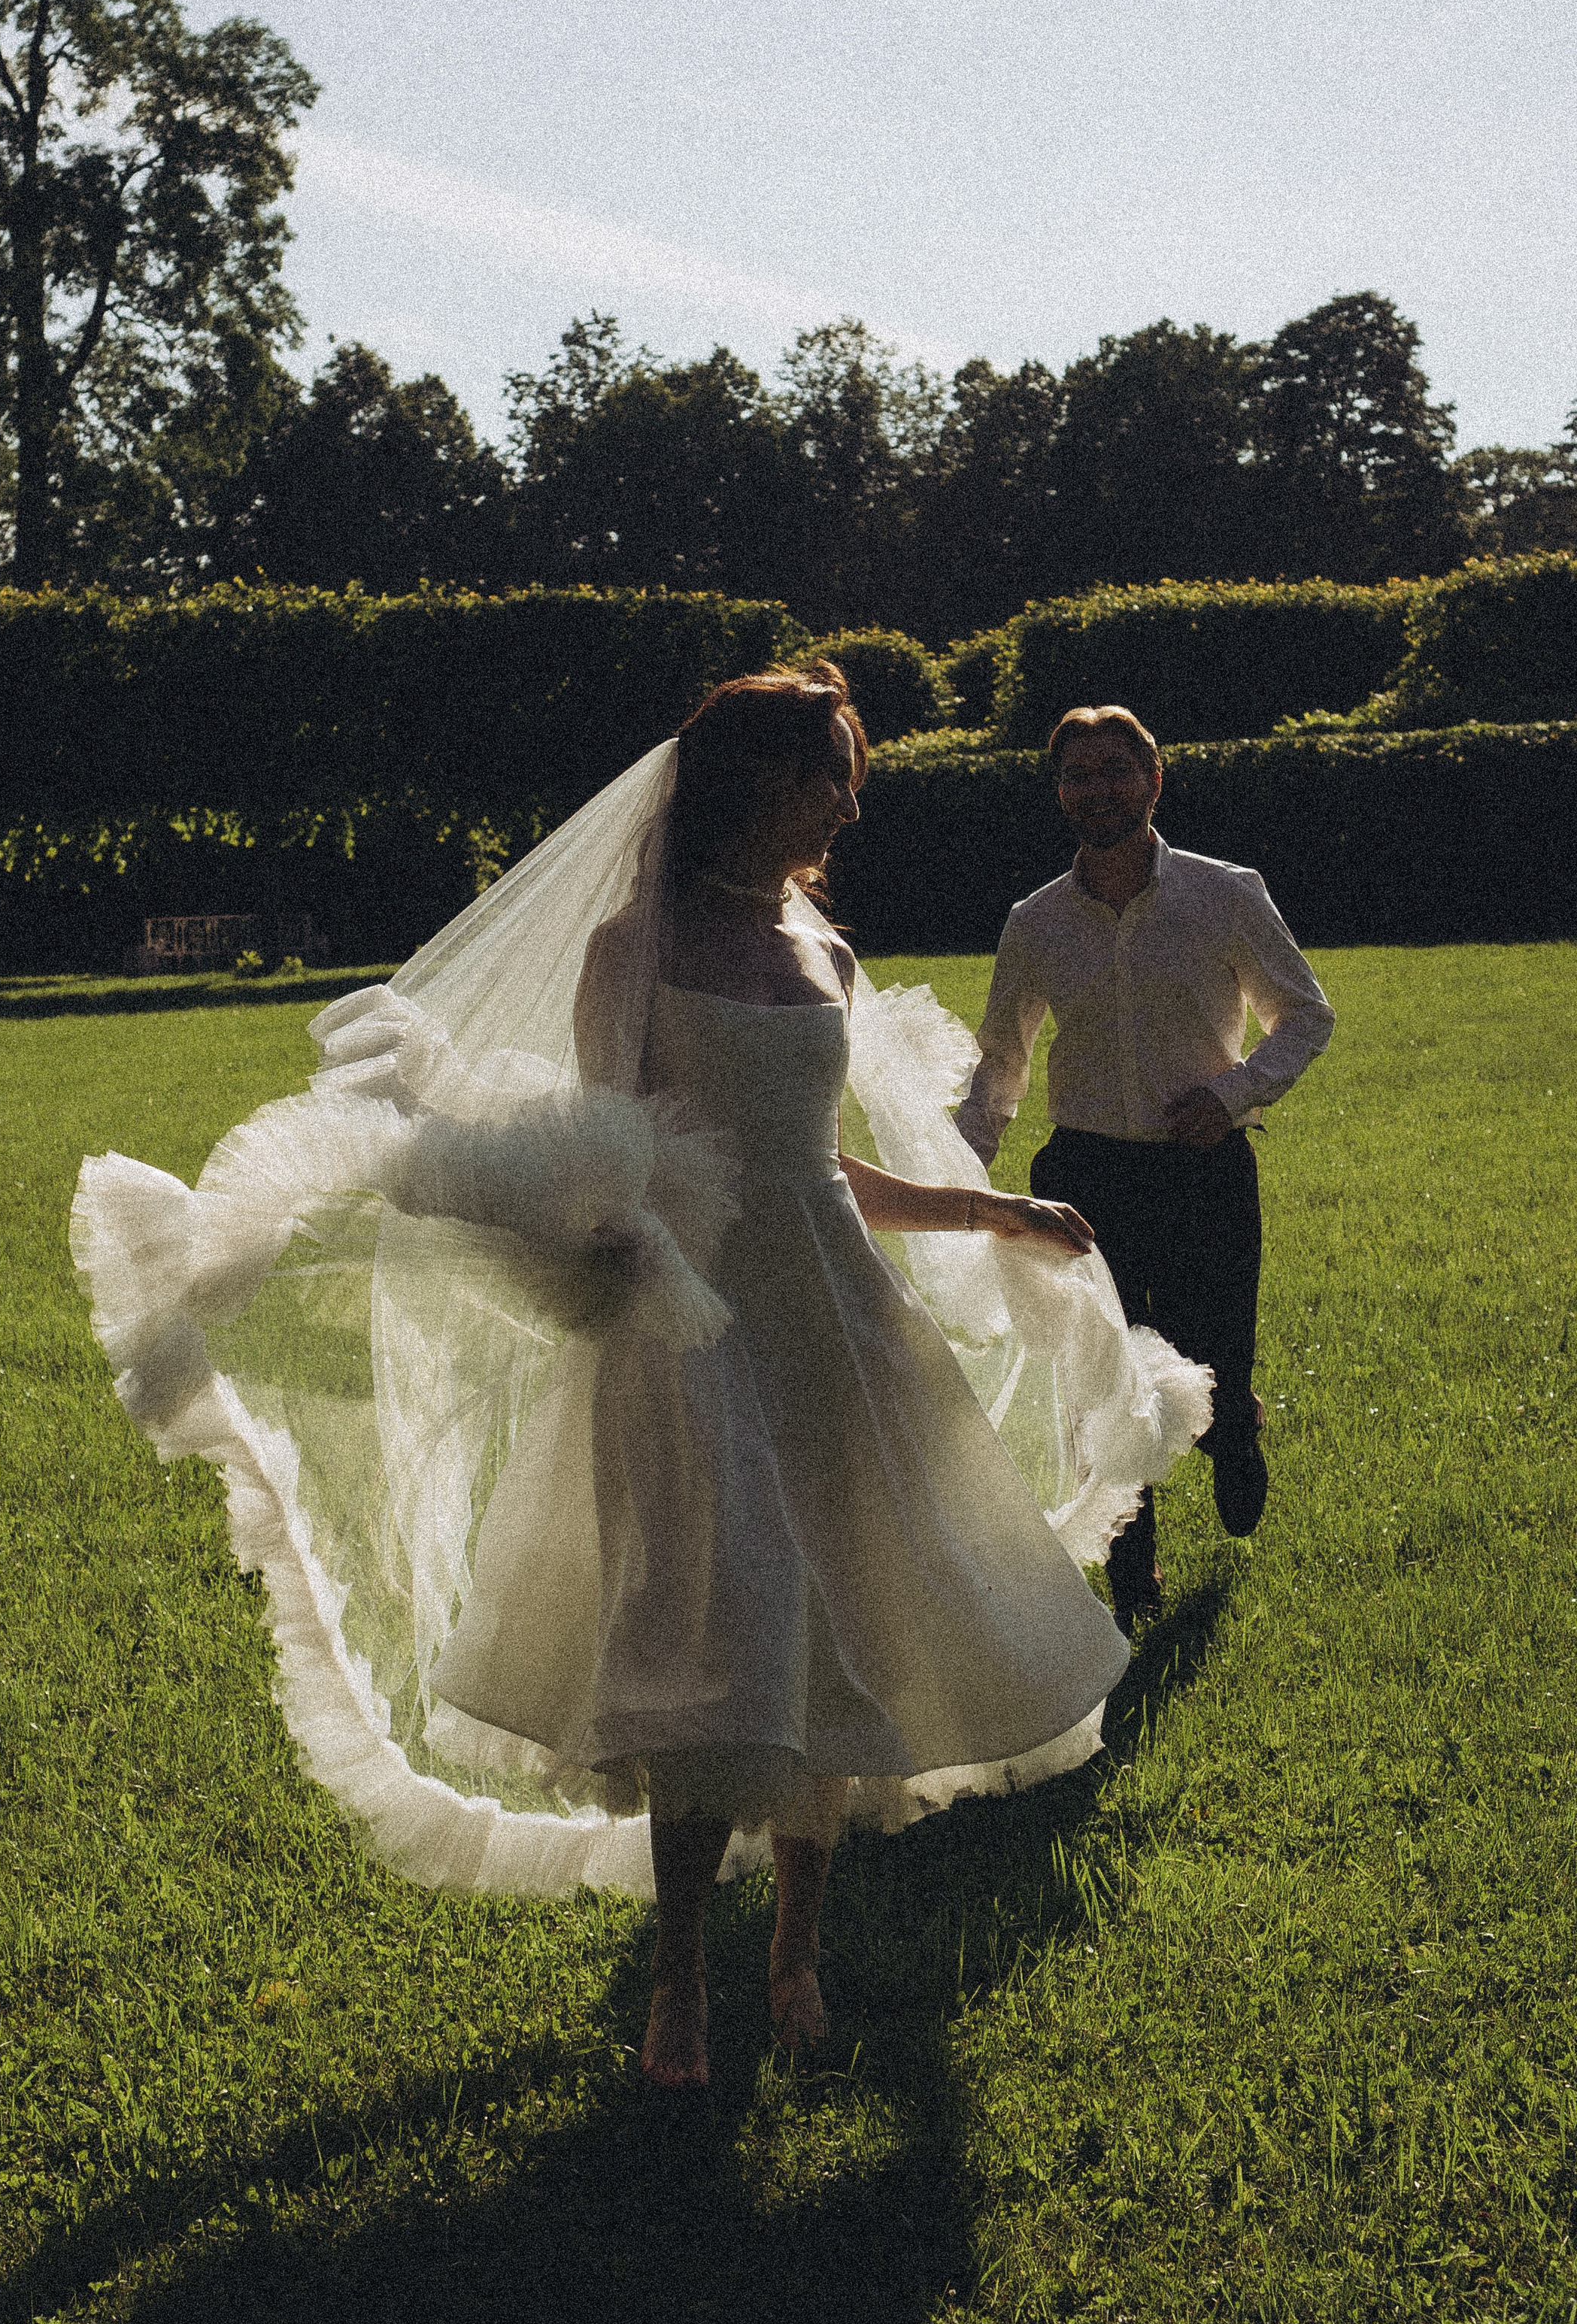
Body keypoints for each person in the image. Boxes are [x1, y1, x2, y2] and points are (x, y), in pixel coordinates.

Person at [71, 670, 1211, 2098]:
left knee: (840, 1620)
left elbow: (822, 1169)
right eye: (830, 776)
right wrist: (606, 1237)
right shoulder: (637, 946)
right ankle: (681, 1978)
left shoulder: (822, 949)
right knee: (713, 1629)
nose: (851, 802)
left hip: (832, 1321)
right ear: (751, 783)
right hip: (690, 1334)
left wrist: (995, 1214)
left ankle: (796, 1958)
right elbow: (606, 1142)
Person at [956, 704, 1335, 1635]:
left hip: (1203, 1169)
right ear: (1059, 794)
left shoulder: (1226, 894)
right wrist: (964, 1180)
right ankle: (1132, 1568)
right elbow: (1001, 1062)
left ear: (1153, 781)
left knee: (1213, 1352)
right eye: (1079, 774)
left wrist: (1236, 1092)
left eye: (1116, 771)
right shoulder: (1033, 922)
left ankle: (1234, 1430)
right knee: (1101, 1375)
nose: (1099, 788)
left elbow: (1306, 1015)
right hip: (1084, 1179)